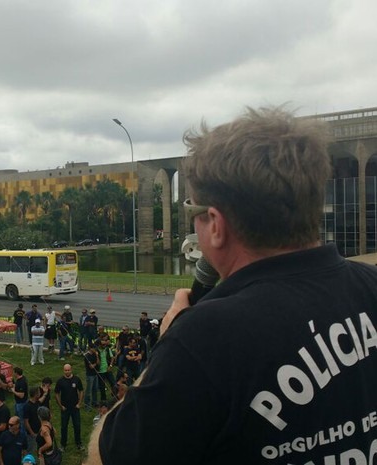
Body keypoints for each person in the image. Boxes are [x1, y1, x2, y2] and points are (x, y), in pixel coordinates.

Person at [87, 106, 377, 464]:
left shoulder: (203, 338)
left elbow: (103, 457)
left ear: (215, 224)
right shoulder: (370, 285)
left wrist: (163, 349)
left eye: (193, 210)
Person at [54, 364, 84, 450]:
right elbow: (56, 393)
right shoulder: (60, 381)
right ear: (63, 370)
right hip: (65, 408)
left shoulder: (76, 379)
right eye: (65, 370)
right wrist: (60, 405)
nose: (67, 371)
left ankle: (79, 443)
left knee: (77, 425)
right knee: (64, 427)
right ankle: (63, 444)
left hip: (75, 407)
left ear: (71, 370)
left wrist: (79, 403)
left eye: (68, 370)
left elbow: (81, 390)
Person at [22, 388, 41, 455]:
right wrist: (32, 433)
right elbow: (26, 421)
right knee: (31, 450)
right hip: (32, 433)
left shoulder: (38, 403)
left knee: (38, 449)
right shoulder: (27, 406)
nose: (40, 393)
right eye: (39, 392)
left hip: (39, 431)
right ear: (36, 394)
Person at [83, 344, 99, 409]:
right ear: (90, 348)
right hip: (90, 375)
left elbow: (98, 363)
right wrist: (95, 364)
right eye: (94, 348)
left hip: (95, 374)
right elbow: (91, 366)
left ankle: (94, 402)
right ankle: (87, 405)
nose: (95, 350)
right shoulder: (87, 356)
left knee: (95, 389)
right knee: (88, 391)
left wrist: (97, 356)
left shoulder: (95, 354)